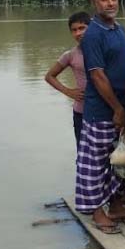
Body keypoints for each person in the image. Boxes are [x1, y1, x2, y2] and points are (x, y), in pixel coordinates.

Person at [75, 0, 125, 234]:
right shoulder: (93, 33)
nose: (110, 3)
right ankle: (96, 211)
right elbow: (98, 76)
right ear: (95, 2)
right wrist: (116, 108)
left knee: (123, 158)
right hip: (103, 111)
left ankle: (116, 202)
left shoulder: (119, 29)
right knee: (96, 163)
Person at [44, 11, 91, 147]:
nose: (78, 33)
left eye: (82, 28)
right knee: (83, 157)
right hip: (81, 113)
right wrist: (68, 92)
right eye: (74, 30)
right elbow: (49, 76)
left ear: (91, 27)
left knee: (113, 158)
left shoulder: (103, 51)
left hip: (104, 113)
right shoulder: (70, 55)